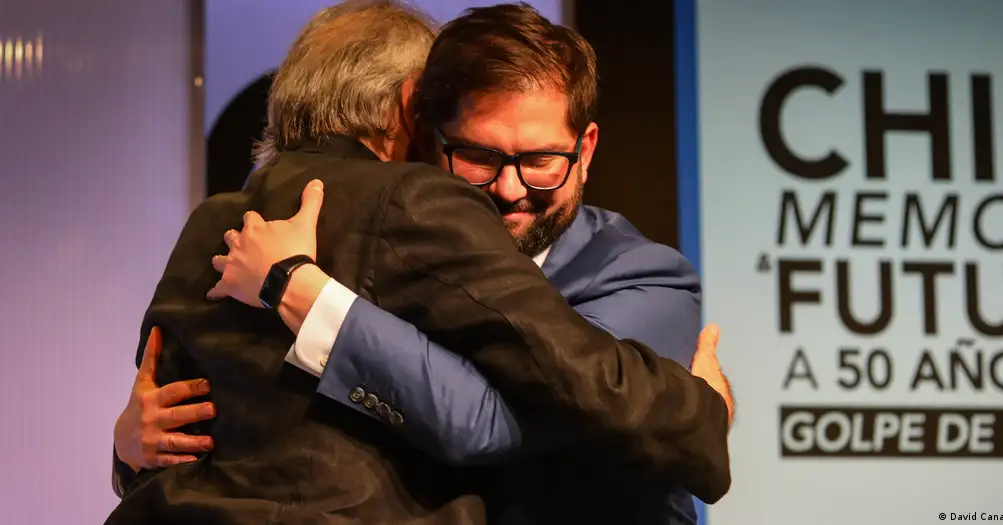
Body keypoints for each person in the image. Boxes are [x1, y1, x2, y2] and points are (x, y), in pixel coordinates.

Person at [105, 2, 731, 524]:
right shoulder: (396, 229)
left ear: (586, 149)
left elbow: (503, 419)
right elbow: (238, 402)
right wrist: (132, 445)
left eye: (541, 161)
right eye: (479, 158)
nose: (509, 188)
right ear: (428, 128)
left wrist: (301, 291)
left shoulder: (644, 276)